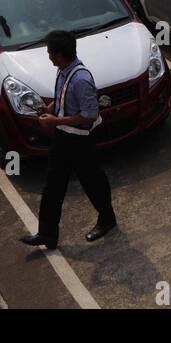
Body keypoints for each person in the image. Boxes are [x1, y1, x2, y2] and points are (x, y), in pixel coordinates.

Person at [20, 30, 117, 250]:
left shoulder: (81, 79)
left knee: (93, 182)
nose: (48, 57)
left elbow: (89, 115)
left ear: (60, 55)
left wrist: (55, 121)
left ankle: (107, 218)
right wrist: (50, 109)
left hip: (82, 141)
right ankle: (47, 234)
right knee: (53, 186)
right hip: (63, 138)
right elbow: (61, 97)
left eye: (50, 53)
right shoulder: (63, 71)